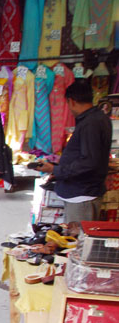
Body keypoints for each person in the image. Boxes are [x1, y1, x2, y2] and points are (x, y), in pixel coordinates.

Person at [36, 81, 112, 222]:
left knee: (77, 234)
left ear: (71, 101)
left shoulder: (91, 123)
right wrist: (58, 168)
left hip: (82, 195)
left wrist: (55, 170)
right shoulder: (97, 118)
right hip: (83, 191)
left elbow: (89, 162)